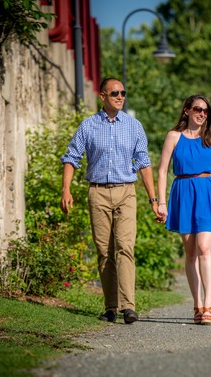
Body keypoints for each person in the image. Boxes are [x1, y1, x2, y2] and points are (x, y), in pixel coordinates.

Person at [60, 77, 160, 324]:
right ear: (102, 96)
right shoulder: (88, 126)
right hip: (98, 192)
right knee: (104, 251)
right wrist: (66, 190)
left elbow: (144, 163)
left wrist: (154, 200)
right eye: (115, 93)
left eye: (123, 93)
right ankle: (111, 306)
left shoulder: (134, 126)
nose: (120, 96)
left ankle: (128, 306)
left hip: (126, 191)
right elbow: (72, 157)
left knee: (125, 246)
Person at [157, 95, 211, 325]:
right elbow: (162, 170)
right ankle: (197, 304)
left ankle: (209, 304)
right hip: (183, 192)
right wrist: (161, 202)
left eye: (206, 111)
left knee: (204, 248)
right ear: (186, 110)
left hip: (207, 192)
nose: (202, 114)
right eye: (198, 109)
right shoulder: (173, 136)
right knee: (190, 253)